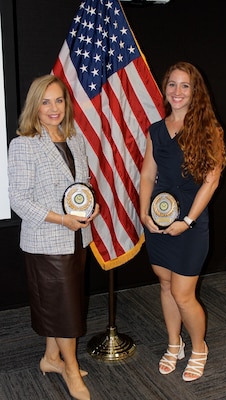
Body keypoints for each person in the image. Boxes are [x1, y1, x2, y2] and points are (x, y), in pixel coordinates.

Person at [8, 74, 100, 400]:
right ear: (35, 105)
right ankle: (71, 369)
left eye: (59, 100)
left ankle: (51, 358)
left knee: (62, 303)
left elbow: (84, 183)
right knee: (65, 309)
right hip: (46, 240)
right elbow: (19, 199)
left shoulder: (75, 138)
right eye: (45, 101)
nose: (53, 108)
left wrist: (92, 207)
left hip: (77, 237)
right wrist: (62, 219)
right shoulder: (23, 144)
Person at [139, 61, 226, 382]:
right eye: (172, 85)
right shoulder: (156, 130)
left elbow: (212, 181)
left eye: (185, 85)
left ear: (195, 91)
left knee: (183, 294)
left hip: (190, 224)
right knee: (165, 285)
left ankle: (199, 347)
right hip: (159, 222)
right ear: (165, 89)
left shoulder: (207, 129)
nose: (177, 91)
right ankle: (174, 344)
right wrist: (143, 212)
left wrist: (188, 220)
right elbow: (148, 174)